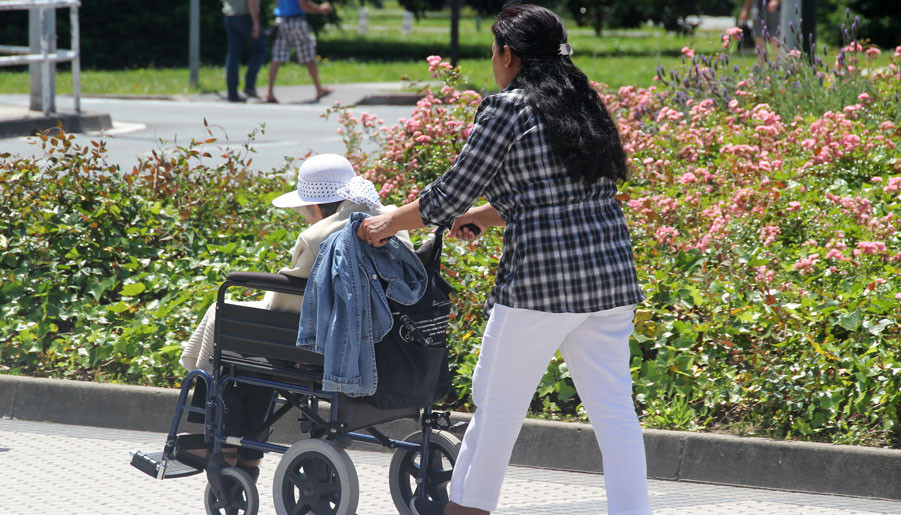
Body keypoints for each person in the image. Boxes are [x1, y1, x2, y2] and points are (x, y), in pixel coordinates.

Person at [357, 4, 652, 515]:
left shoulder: (508, 108)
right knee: (615, 415)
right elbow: (553, 195)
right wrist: (483, 217)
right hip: (608, 281)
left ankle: (467, 510)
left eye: (494, 53)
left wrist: (386, 224)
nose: (493, 63)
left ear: (510, 56)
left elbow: (447, 194)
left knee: (496, 411)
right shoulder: (582, 104)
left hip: (540, 286)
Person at [178, 153, 410, 477]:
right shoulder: (395, 227)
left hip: (322, 349)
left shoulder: (316, 238)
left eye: (304, 210)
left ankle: (227, 446)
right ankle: (246, 453)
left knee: (232, 331)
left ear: (315, 208)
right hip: (383, 344)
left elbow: (281, 307)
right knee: (253, 343)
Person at [264, 0, 334, 103]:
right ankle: (319, 89)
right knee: (309, 55)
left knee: (277, 57)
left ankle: (269, 92)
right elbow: (303, 4)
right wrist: (320, 9)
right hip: (296, 21)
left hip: (282, 21)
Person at [221, 0, 267, 102]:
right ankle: (249, 85)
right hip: (245, 16)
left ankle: (232, 93)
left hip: (229, 16)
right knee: (260, 50)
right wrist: (256, 22)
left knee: (233, 55)